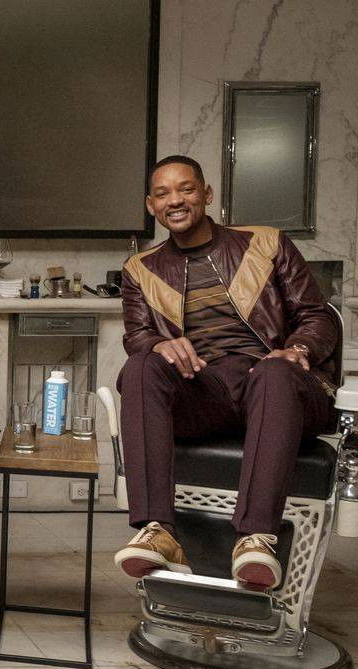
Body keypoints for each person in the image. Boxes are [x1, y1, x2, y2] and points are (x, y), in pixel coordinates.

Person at [113, 155, 337, 590]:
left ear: (207, 194)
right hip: (207, 391)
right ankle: (157, 531)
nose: (175, 200)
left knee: (273, 373)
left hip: (277, 386)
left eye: (186, 189)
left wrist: (296, 349)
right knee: (140, 365)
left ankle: (256, 539)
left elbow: (317, 317)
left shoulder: (266, 243)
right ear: (151, 205)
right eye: (162, 194)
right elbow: (137, 336)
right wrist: (158, 344)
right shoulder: (140, 269)